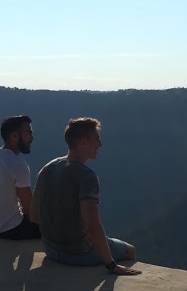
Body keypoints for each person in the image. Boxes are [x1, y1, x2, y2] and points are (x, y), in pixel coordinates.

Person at [30, 117, 141, 275]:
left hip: (50, 249)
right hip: (78, 254)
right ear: (83, 143)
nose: (100, 145)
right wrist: (111, 265)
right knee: (130, 250)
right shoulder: (86, 175)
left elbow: (34, 216)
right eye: (97, 139)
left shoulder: (47, 168)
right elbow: (92, 224)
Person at [0, 115, 41, 240]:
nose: (32, 138)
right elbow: (28, 210)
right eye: (28, 133)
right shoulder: (18, 164)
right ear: (14, 136)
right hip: (10, 229)